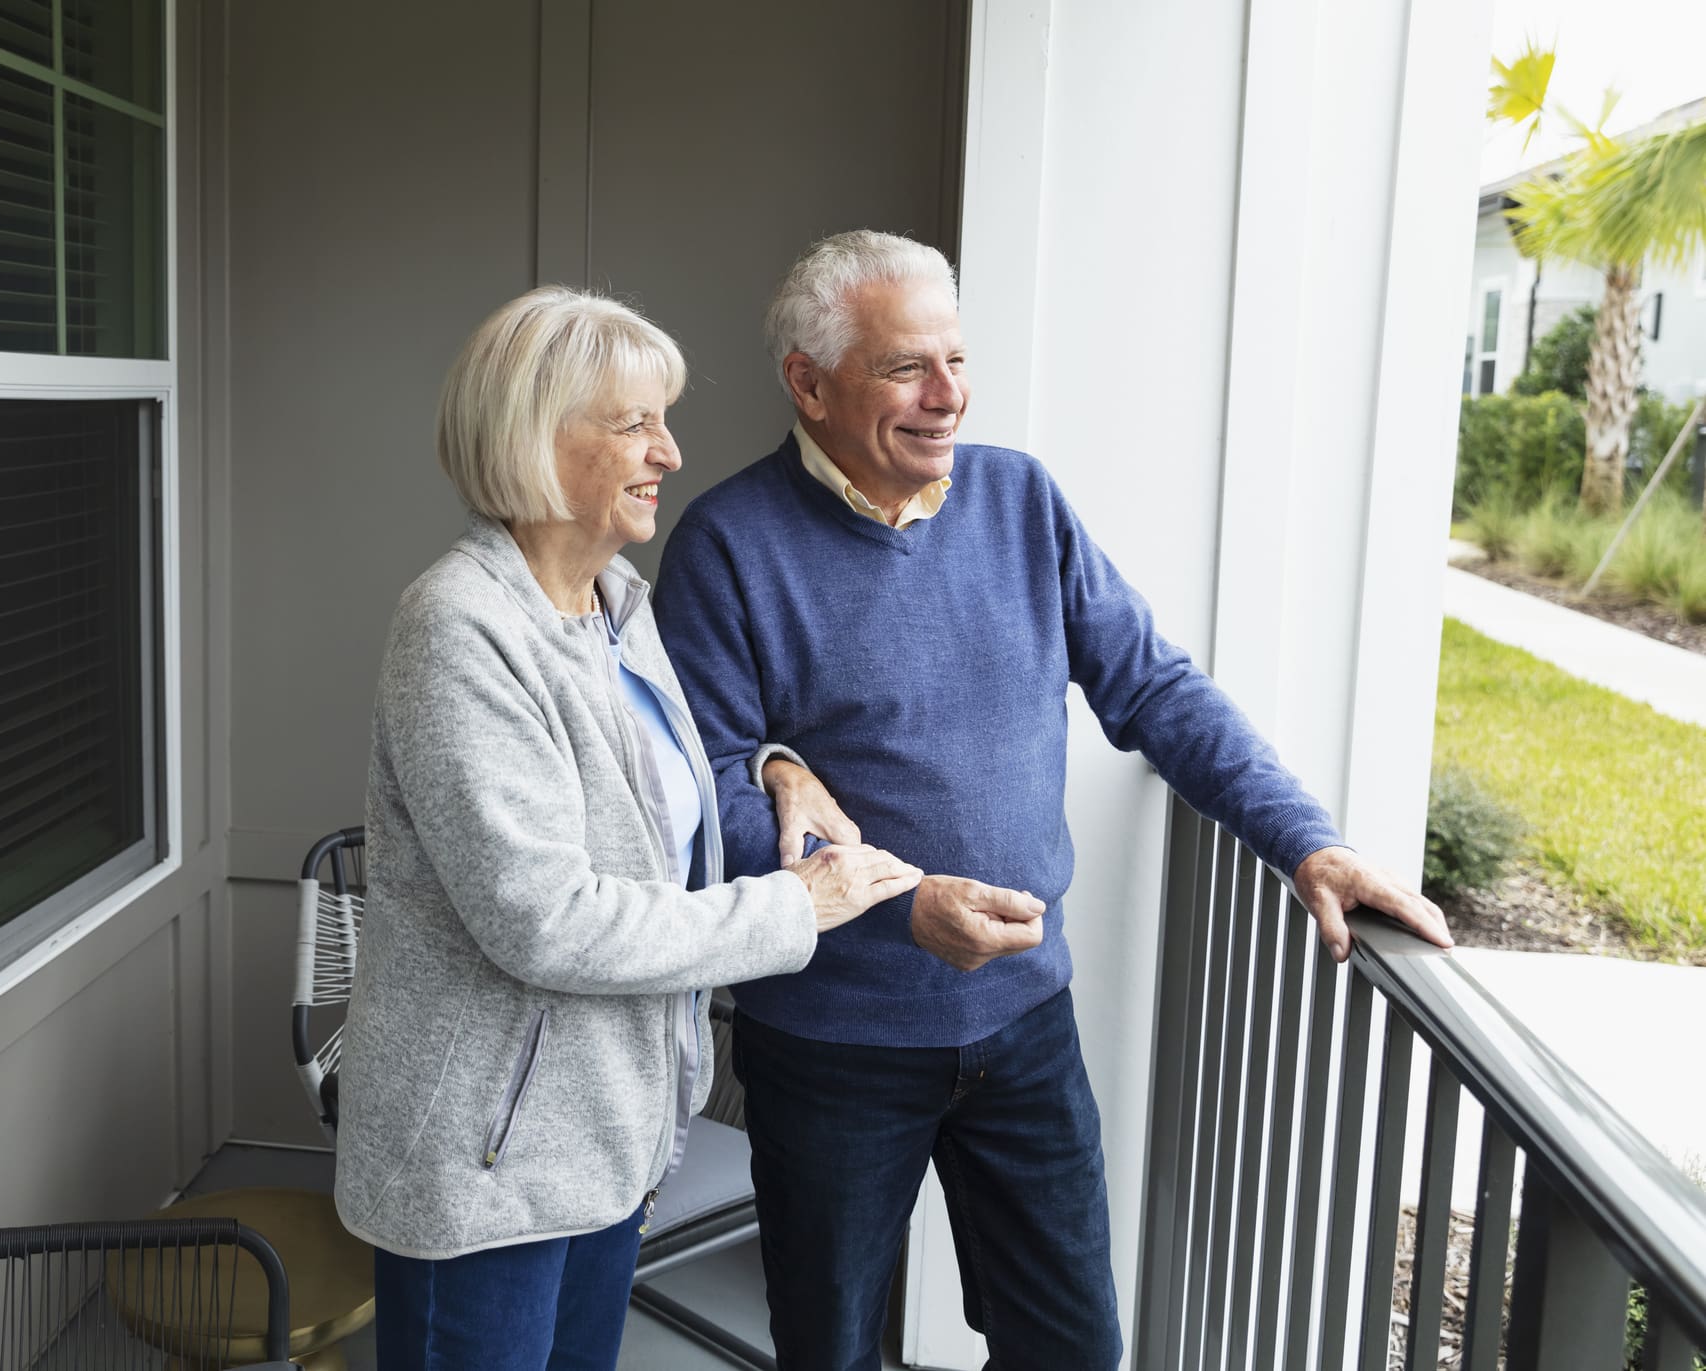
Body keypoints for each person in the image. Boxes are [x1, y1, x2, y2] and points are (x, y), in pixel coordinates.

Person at [651, 231, 1454, 1371]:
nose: (947, 399)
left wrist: (1304, 842)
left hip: (1025, 1028)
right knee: (827, 1352)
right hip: (833, 1045)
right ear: (808, 381)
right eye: (904, 370)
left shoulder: (1019, 500)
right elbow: (712, 801)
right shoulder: (727, 545)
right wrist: (901, 905)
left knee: (1070, 1348)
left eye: (957, 362)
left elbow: (1155, 691)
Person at [334, 285, 924, 1371]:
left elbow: (654, 786)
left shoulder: (615, 600)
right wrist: (797, 906)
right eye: (634, 423)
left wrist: (771, 769)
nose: (668, 450)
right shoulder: (458, 628)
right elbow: (547, 921)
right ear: (534, 436)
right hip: (487, 1164)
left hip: (607, 1138)